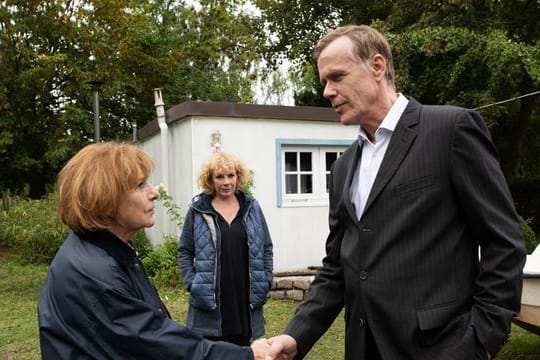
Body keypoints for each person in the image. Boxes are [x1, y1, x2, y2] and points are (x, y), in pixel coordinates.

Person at [266, 24, 526, 360]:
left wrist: (482, 341)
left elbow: (503, 243)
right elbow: (337, 268)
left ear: (377, 67)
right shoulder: (343, 167)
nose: (328, 91)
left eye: (337, 77)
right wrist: (296, 336)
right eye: (324, 82)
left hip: (441, 348)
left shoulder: (451, 130)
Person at [37, 141, 269, 359]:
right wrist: (247, 355)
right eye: (140, 185)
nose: (154, 192)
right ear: (106, 198)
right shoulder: (95, 273)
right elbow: (157, 343)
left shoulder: (105, 251)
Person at [178, 150, 273, 347]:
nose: (226, 182)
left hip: (244, 295)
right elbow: (185, 250)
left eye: (231, 175)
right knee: (211, 351)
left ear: (238, 177)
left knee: (243, 351)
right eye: (219, 176)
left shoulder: (252, 207)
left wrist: (266, 278)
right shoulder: (198, 210)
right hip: (211, 298)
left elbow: (266, 247)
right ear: (210, 180)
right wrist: (192, 283)